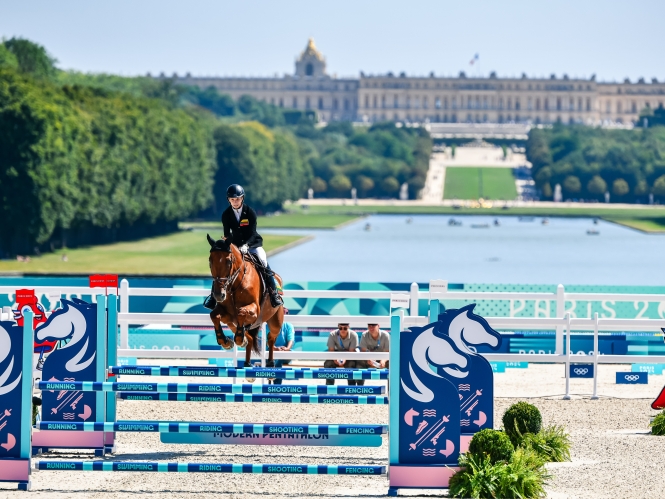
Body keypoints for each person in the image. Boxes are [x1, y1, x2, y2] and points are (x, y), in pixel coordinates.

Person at [204, 184, 283, 309]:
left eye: (237, 199)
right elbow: (227, 234)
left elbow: (252, 233)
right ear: (229, 200)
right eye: (232, 199)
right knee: (222, 265)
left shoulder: (250, 212)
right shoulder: (226, 214)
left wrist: (246, 245)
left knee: (263, 261)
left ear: (242, 198)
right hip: (235, 246)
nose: (235, 202)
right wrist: (228, 245)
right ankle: (213, 297)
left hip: (253, 244)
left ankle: (274, 294)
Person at [268, 309, 295, 385]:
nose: (284, 315)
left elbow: (291, 340)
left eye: (285, 313)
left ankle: (275, 383)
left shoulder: (288, 325)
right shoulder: (270, 324)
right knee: (273, 356)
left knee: (278, 358)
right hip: (272, 352)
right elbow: (267, 341)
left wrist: (287, 349)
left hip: (284, 353)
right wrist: (274, 348)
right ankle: (275, 384)